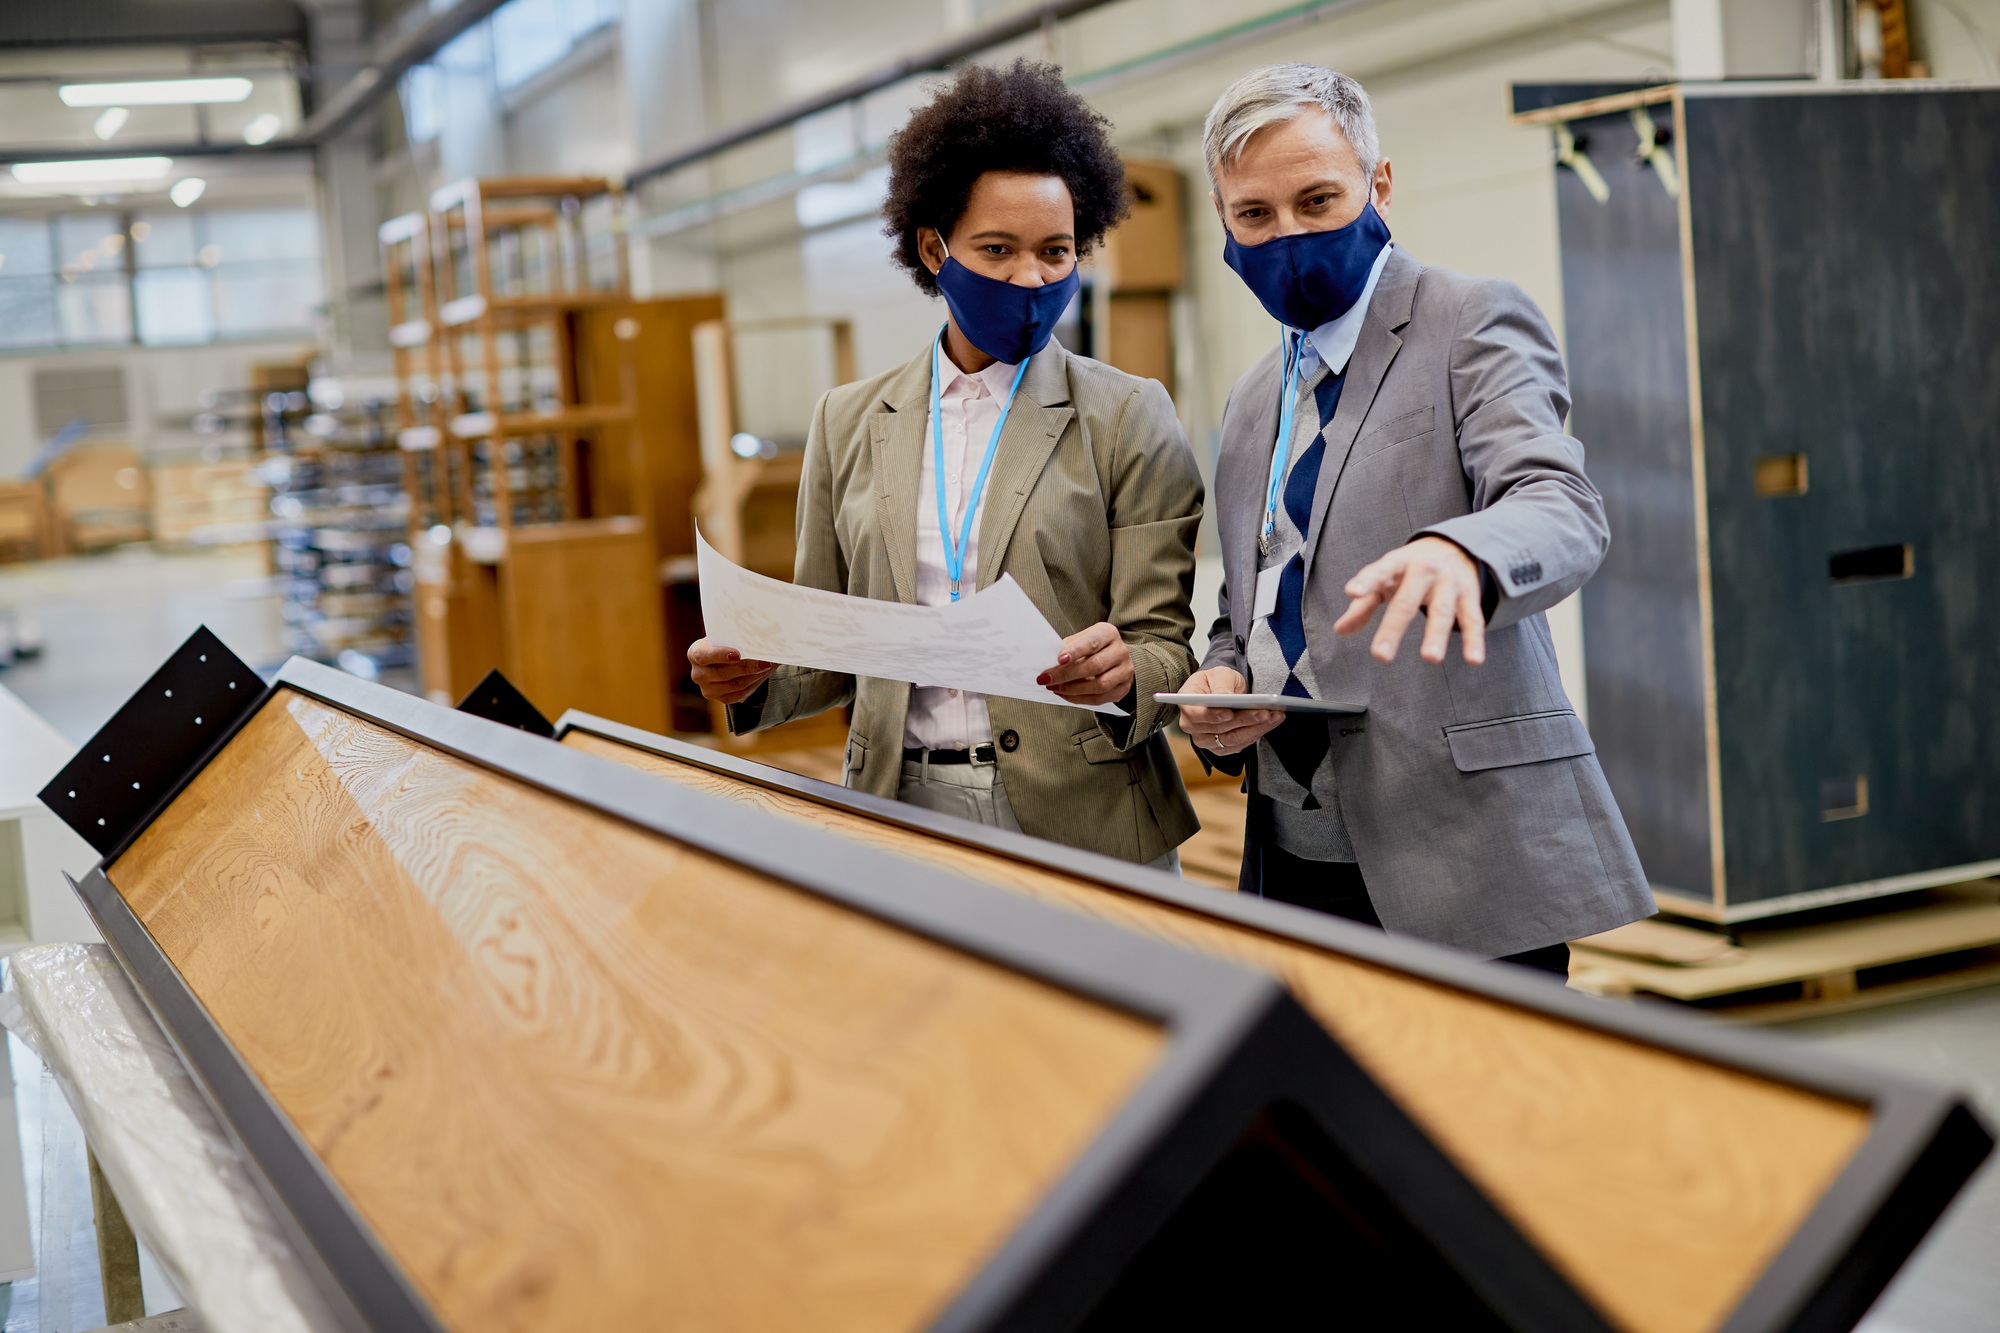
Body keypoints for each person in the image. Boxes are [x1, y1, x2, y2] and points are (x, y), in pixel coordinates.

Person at [1175, 64, 1653, 972]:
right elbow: (1249, 607)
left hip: (1461, 847)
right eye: (1255, 216)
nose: (1289, 236)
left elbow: (1560, 504)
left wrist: (1459, 552)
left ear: (1378, 184)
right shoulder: (1249, 403)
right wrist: (1221, 683)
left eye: (1318, 199)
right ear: (1222, 215)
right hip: (1291, 852)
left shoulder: (1470, 322)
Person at [688, 60, 1203, 869]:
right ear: (934, 248)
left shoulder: (1129, 416)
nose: (1030, 279)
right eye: (997, 249)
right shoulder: (850, 420)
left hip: (1086, 812)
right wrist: (752, 674)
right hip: (901, 807)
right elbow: (827, 640)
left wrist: (1125, 671)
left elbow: (1167, 646)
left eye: (1055, 251)